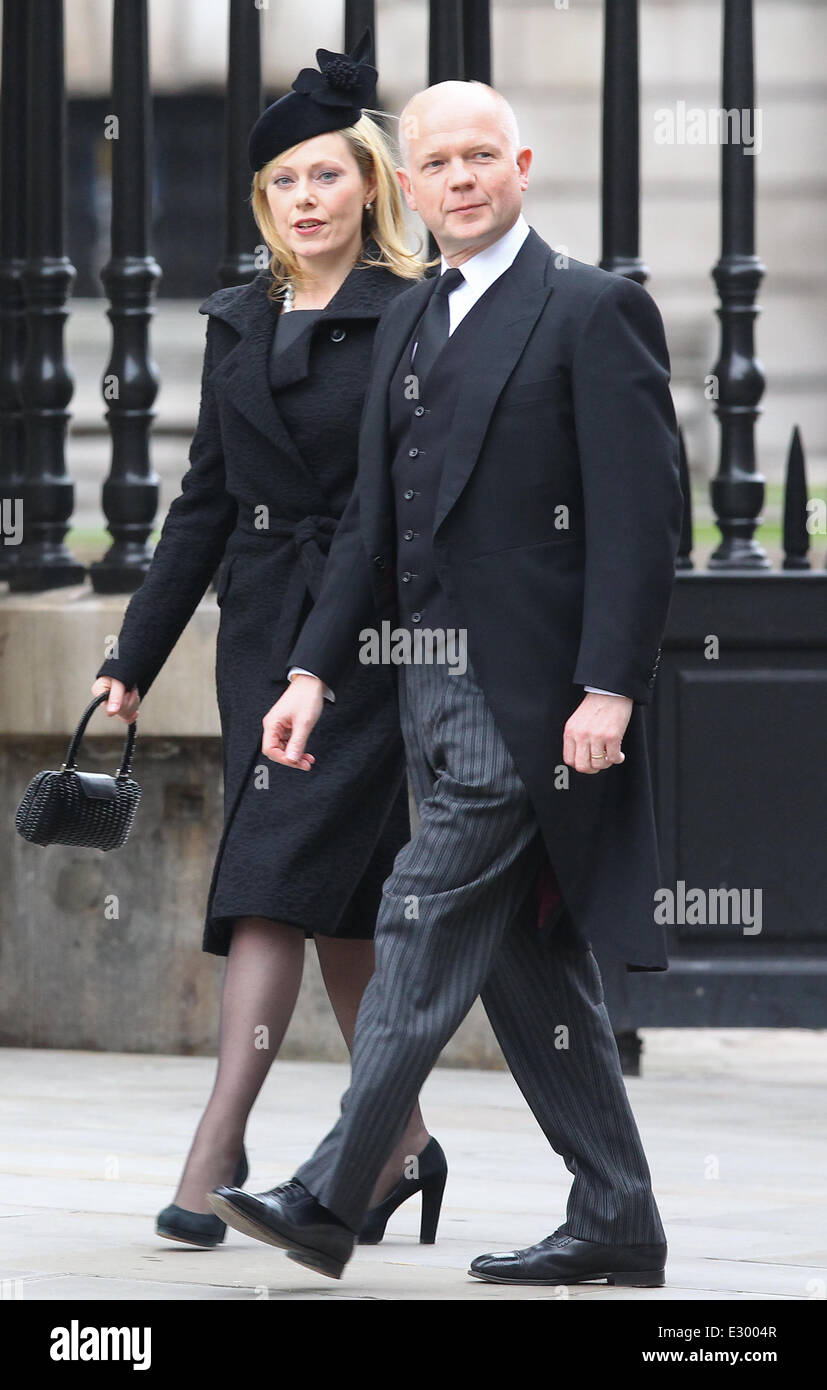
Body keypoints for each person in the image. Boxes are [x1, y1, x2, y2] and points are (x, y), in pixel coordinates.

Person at [208, 77, 684, 1287]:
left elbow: (639, 524)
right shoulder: (418, 319)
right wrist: (312, 667)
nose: (461, 178)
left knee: (414, 918)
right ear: (406, 185)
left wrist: (608, 690)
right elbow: (375, 522)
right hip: (422, 695)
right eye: (438, 163)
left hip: (526, 700)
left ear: (518, 164)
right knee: (527, 970)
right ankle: (617, 1215)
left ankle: (330, 1189)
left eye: (482, 155)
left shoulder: (591, 308)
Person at [90, 32, 447, 1250]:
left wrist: (332, 642)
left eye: (327, 177)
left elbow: (393, 511)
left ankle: (212, 1152)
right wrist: (132, 657)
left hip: (361, 641)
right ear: (263, 202)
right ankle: (397, 1142)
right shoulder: (237, 317)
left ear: (369, 187)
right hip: (258, 636)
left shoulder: (413, 317)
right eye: (283, 183)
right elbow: (201, 499)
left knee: (263, 882)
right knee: (334, 898)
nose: (306, 200)